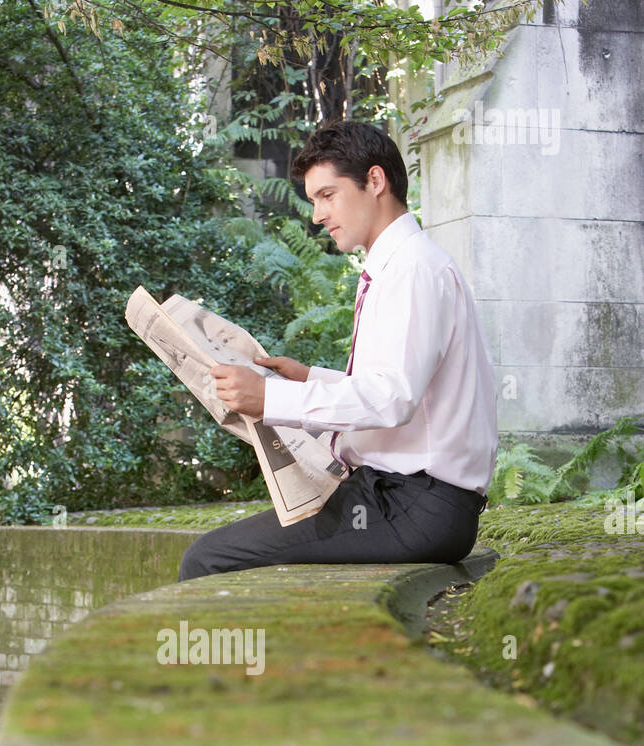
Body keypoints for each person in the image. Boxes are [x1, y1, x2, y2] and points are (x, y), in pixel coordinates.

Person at [178, 120, 498, 581]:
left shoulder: (413, 271)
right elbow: (402, 390)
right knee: (226, 550)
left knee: (207, 559)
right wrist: (309, 379)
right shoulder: (398, 267)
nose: (316, 215)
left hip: (416, 506)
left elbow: (392, 398)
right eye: (313, 200)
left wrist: (269, 400)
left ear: (374, 181)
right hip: (402, 497)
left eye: (327, 195)